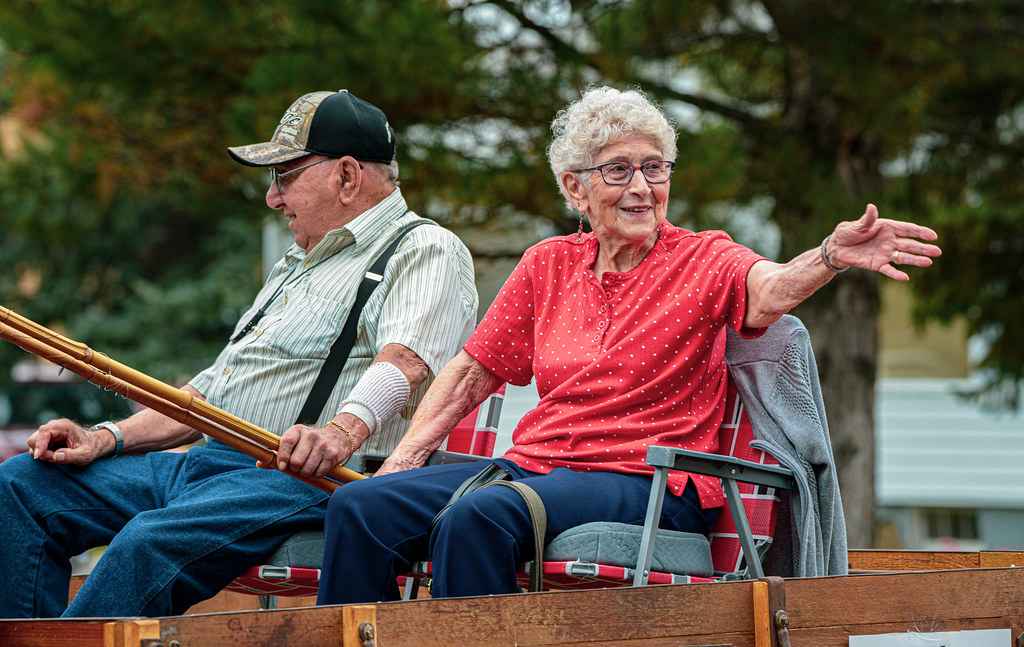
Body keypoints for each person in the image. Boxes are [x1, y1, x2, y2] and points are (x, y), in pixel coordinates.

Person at [314, 85, 941, 604]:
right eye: (618, 170)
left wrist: (828, 257)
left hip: (645, 481)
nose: (641, 186)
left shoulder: (704, 258)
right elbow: (471, 372)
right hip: (535, 466)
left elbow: (770, 289)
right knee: (362, 507)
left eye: (654, 167)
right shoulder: (547, 264)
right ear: (575, 188)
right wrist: (404, 458)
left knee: (478, 517)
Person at [0, 89, 478, 618]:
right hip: (209, 467)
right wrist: (103, 439)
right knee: (23, 485)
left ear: (346, 176)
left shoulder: (424, 248)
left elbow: (405, 363)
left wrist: (339, 433)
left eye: (285, 174)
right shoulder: (297, 264)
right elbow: (207, 397)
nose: (273, 198)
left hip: (303, 482)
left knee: (145, 540)